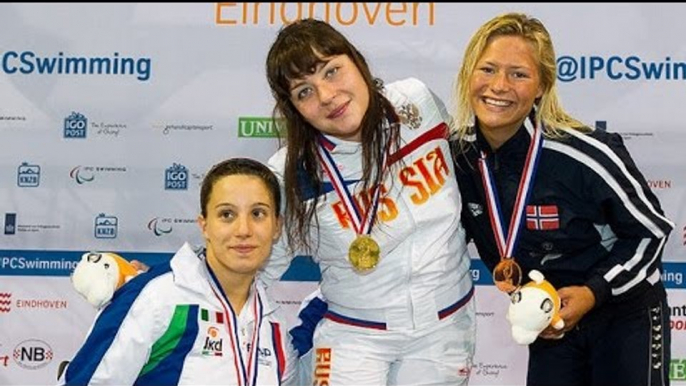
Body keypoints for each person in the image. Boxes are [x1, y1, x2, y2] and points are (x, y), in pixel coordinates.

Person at [450, 12, 673, 386]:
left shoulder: (584, 155)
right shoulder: (457, 158)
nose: (499, 86)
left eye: (518, 74)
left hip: (622, 312)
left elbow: (651, 233)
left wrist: (593, 292)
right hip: (549, 319)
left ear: (541, 86)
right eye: (486, 69)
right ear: (468, 75)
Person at [262, 18, 475, 385]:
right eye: (303, 92)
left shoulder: (418, 103)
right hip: (354, 334)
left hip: (442, 330)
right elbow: (254, 266)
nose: (326, 96)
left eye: (332, 71)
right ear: (293, 109)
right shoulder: (291, 173)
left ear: (357, 62)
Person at [58, 158, 298, 385]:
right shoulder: (154, 298)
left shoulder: (272, 324)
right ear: (204, 226)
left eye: (258, 214)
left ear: (277, 226)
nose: (243, 230)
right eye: (227, 215)